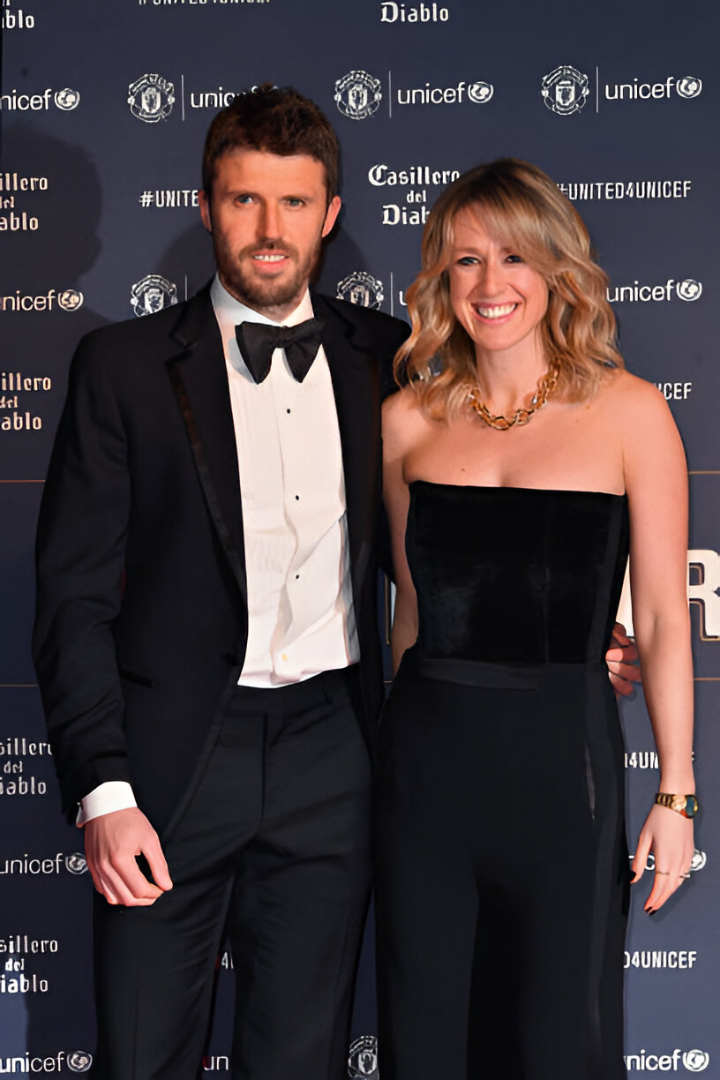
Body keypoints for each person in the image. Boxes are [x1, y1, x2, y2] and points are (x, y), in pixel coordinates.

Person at [32, 84, 410, 1080]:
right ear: (206, 206)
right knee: (142, 1052)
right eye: (245, 199)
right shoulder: (121, 367)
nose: (269, 229)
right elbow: (73, 598)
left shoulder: (389, 359)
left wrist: (587, 624)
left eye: (294, 203)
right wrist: (103, 790)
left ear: (331, 213)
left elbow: (476, 509)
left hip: (334, 752)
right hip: (168, 767)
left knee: (301, 1057)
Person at [376, 159, 695, 1080]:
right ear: (442, 275)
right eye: (467, 259)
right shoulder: (404, 422)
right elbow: (410, 618)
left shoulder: (631, 413)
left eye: (514, 257)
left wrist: (676, 793)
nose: (491, 283)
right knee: (425, 1043)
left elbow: (662, 619)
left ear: (556, 269)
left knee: (561, 1043)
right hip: (424, 782)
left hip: (563, 777)